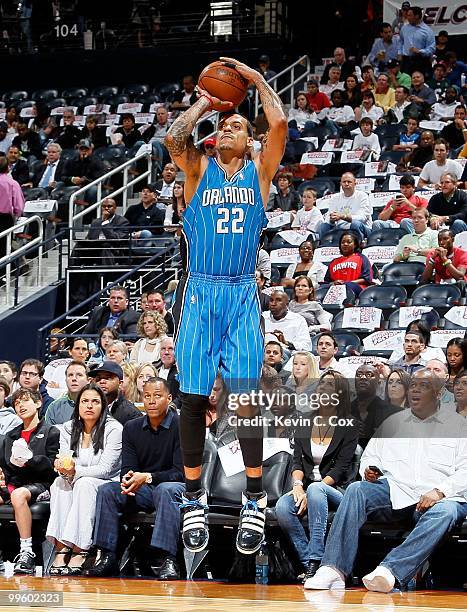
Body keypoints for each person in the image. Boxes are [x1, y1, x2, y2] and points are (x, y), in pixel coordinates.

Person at [165, 56, 287, 555]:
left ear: (250, 141)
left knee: (247, 396)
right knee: (193, 399)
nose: (232, 127)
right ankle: (193, 497)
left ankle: (254, 500)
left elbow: (278, 122)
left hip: (240, 290)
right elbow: (175, 138)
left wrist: (253, 78)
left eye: (239, 124)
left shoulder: (260, 172)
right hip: (199, 291)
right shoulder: (198, 169)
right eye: (227, 124)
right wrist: (206, 101)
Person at [305, 369, 467, 593]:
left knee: (447, 512)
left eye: (424, 386)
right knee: (357, 490)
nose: (416, 390)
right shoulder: (394, 422)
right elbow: (371, 457)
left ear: (439, 394)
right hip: (395, 490)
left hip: (438, 499)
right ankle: (333, 568)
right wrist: (370, 470)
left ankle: (389, 570)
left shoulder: (458, 425)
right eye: (413, 385)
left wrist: (440, 491)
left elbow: (465, 471)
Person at [83, 377, 185, 579]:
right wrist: (130, 479)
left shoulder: (181, 425)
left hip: (175, 488)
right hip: (144, 490)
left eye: (157, 396)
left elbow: (180, 472)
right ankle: (107, 556)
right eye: (147, 396)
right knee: (108, 491)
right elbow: (127, 470)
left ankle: (168, 559)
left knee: (167, 489)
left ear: (169, 398)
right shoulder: (131, 427)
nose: (152, 401)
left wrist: (147, 477)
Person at [276, 369, 358, 582]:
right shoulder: (305, 420)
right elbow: (297, 460)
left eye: (330, 385)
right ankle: (310, 563)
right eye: (322, 385)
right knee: (283, 507)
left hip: (336, 492)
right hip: (306, 487)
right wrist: (297, 485)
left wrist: (314, 487)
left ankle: (315, 559)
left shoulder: (349, 425)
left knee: (316, 488)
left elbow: (340, 468)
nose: (323, 389)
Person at [46, 384, 122, 575]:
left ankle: (81, 547)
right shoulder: (68, 428)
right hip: (76, 479)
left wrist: (74, 472)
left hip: (107, 483)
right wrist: (63, 470)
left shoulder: (114, 429)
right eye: (85, 401)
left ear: (103, 406)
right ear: (78, 406)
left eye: (95, 402)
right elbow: (65, 462)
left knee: (84, 484)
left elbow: (106, 469)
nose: (89, 406)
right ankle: (62, 546)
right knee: (59, 483)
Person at [0, 388, 59, 574]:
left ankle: (26, 552)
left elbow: (53, 466)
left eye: (25, 401)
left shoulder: (51, 432)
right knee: (14, 492)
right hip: (16, 483)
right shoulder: (11, 435)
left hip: (43, 485)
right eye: (17, 403)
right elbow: (8, 467)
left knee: (18, 495)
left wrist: (30, 459)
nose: (20, 405)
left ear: (38, 403)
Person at [351, 364, 402, 448]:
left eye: (369, 375)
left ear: (379, 382)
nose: (363, 377)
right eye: (359, 374)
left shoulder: (395, 413)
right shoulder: (342, 412)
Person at [319, 173, 372, 242]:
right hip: (340, 228)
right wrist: (332, 219)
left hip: (362, 228)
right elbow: (328, 219)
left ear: (355, 183)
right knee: (324, 226)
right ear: (341, 183)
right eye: (344, 182)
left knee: (355, 223)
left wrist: (343, 216)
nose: (346, 184)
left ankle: (358, 246)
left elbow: (362, 218)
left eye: (349, 182)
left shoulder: (362, 196)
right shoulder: (335, 198)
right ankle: (324, 246)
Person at [44, 361, 89, 426]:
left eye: (79, 375)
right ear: (65, 380)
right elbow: (49, 433)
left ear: (88, 380)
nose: (74, 379)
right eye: (70, 375)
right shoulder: (55, 407)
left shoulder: (96, 404)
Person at [398, 6, 436, 75]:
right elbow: (401, 41)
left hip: (420, 61)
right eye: (407, 15)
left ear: (417, 16)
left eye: (409, 15)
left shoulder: (427, 31)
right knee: (405, 83)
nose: (407, 17)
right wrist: (400, 53)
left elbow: (432, 48)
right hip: (406, 61)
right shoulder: (404, 28)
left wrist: (420, 51)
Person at [0, 156, 25, 258]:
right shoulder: (12, 183)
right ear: (8, 168)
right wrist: (16, 215)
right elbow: (19, 206)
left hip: (4, 217)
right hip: (4, 219)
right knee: (3, 248)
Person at [157, 337, 179, 403]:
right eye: (163, 349)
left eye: (170, 349)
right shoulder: (154, 368)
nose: (166, 352)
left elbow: (181, 397)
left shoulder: (181, 372)